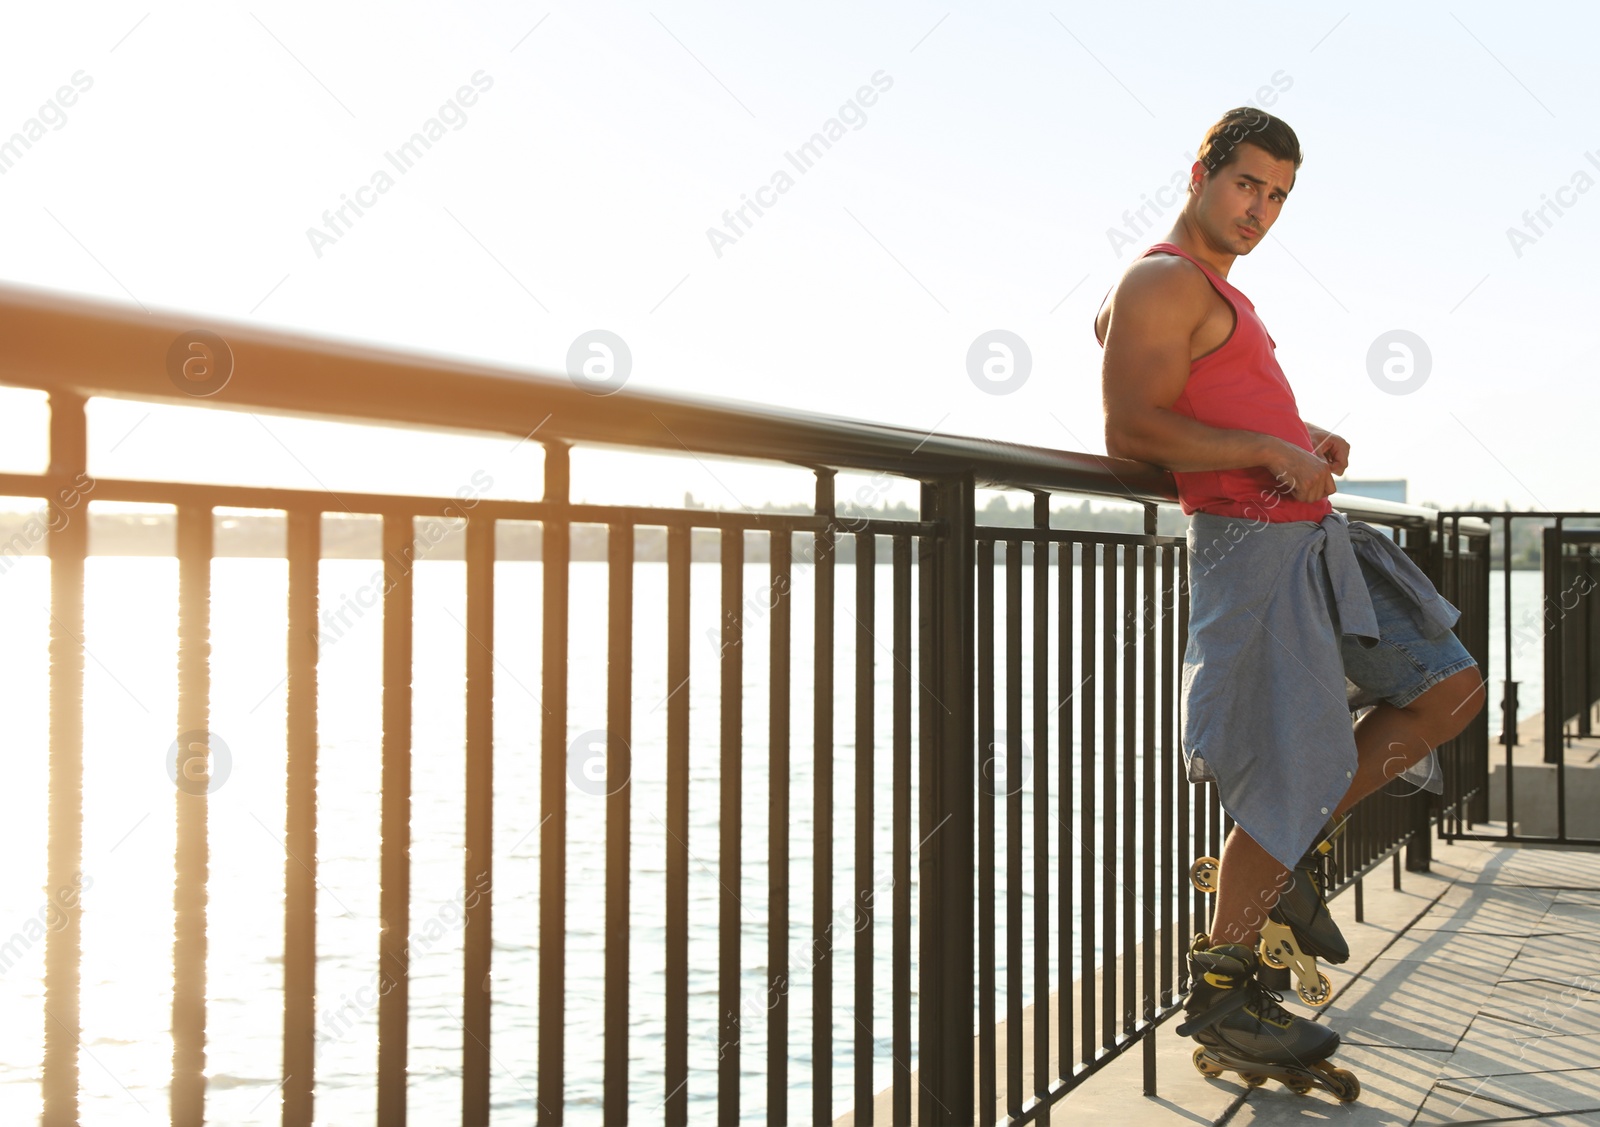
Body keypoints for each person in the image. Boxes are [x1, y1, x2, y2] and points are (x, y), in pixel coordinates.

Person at [1095, 106, 1484, 1097]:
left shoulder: (1209, 290)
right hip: (1252, 550)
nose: (1258, 209)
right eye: (1245, 184)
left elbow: (1179, 385)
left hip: (1308, 540)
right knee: (1294, 756)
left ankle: (1281, 859)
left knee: (1449, 685)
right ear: (1199, 171)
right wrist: (1263, 452)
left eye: (1276, 196)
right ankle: (1223, 988)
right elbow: (1129, 425)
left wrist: (1298, 435)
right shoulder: (1158, 278)